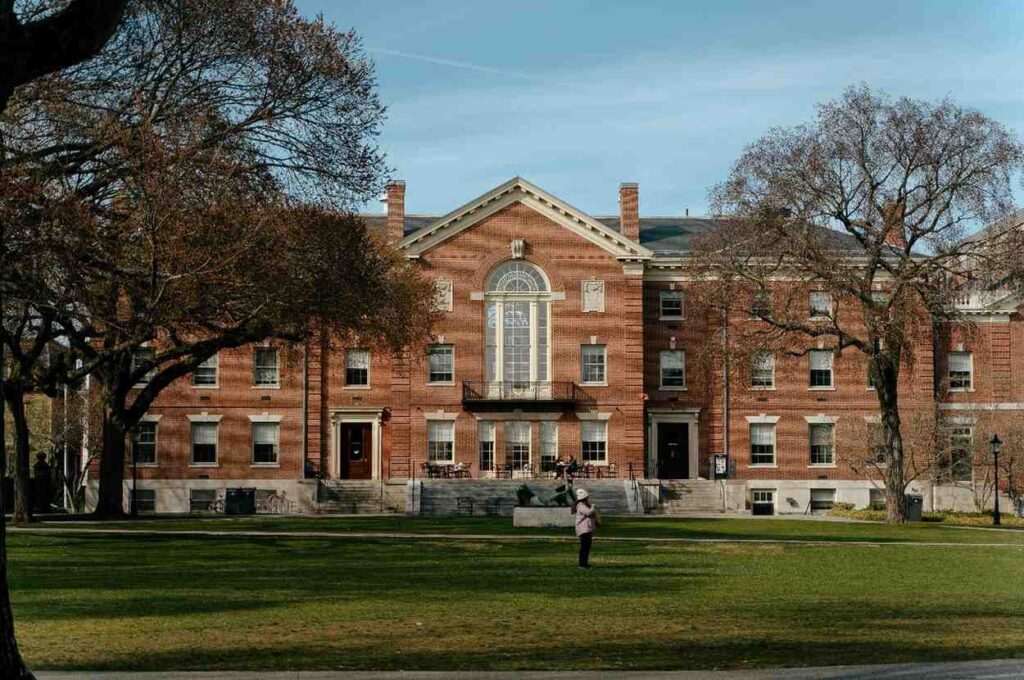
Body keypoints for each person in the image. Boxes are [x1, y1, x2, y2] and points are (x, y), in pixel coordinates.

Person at [572, 488, 598, 569]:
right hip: (583, 529)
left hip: (587, 529)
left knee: (587, 547)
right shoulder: (581, 506)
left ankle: (585, 563)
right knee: (584, 547)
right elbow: (589, 512)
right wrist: (593, 507)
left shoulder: (583, 505)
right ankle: (582, 564)